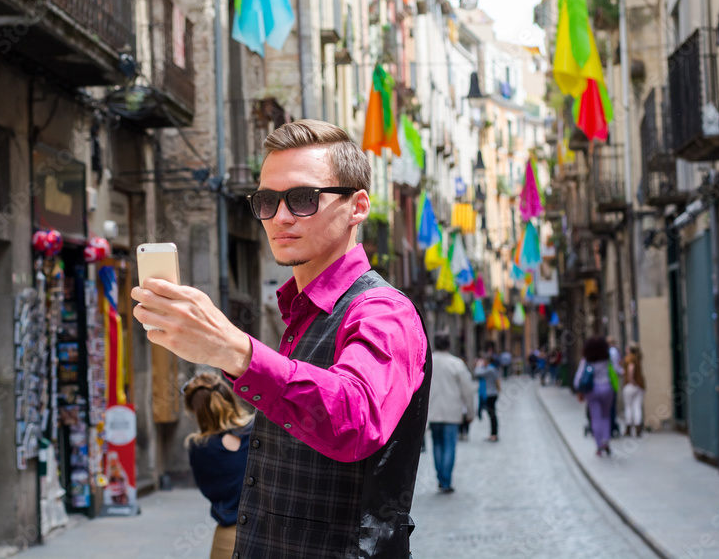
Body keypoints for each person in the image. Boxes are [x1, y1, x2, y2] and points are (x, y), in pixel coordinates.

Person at [131, 120, 431, 558]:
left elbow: (355, 418)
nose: (281, 217)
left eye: (304, 199)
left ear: (358, 206)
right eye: (268, 201)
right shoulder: (300, 312)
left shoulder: (382, 312)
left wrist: (235, 351)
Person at [182, 373, 254, 559]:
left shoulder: (199, 447)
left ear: (196, 412)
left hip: (228, 534)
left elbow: (209, 489)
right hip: (266, 531)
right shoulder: (257, 431)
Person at [426, 334, 476, 492]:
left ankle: (441, 477)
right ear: (449, 345)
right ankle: (446, 480)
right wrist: (470, 412)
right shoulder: (457, 364)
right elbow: (468, 390)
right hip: (452, 412)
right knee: (449, 446)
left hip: (433, 412)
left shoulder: (428, 362)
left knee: (437, 445)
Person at [575, 335, 623, 456]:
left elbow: (578, 379)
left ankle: (599, 446)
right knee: (606, 415)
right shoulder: (607, 359)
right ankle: (606, 440)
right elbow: (616, 370)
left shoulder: (586, 360)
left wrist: (580, 390)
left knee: (595, 418)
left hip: (592, 391)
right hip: (607, 389)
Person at [473, 353, 500, 442]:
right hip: (492, 393)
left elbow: (477, 373)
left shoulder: (490, 369)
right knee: (491, 415)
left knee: (492, 415)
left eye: (484, 361)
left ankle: (494, 434)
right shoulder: (492, 369)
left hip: (490, 394)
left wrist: (478, 365)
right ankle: (493, 434)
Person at [622, 344, 646, 437]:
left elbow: (631, 368)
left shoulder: (629, 358)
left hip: (630, 385)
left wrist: (631, 380)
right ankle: (638, 428)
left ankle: (628, 428)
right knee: (637, 407)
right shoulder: (638, 358)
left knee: (628, 407)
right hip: (639, 386)